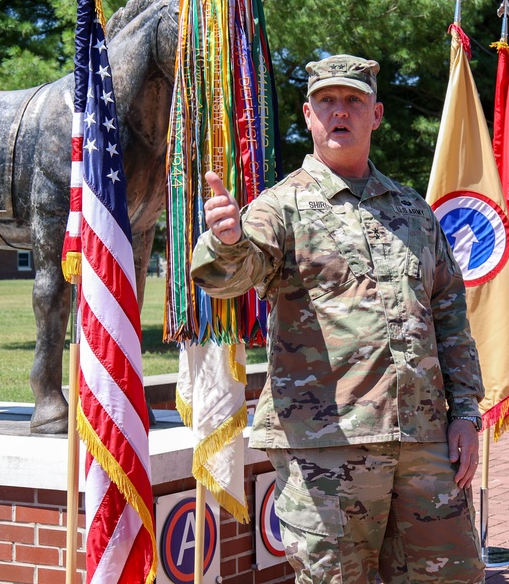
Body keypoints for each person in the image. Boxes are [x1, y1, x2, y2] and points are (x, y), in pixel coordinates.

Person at [190, 54, 486, 583]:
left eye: (354, 100)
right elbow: (231, 277)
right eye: (327, 101)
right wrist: (226, 243)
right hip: (326, 445)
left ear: (377, 115)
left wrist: (464, 410)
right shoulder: (280, 206)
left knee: (453, 575)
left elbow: (448, 314)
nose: (340, 112)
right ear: (308, 114)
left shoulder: (413, 211)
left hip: (423, 439)